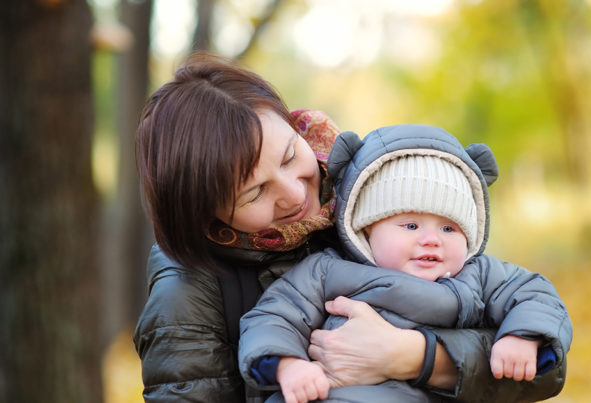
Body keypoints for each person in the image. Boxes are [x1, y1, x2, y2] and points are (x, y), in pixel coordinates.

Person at [133, 52, 568, 402]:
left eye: (289, 156)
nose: (294, 193)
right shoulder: (188, 285)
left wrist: (413, 357)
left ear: (295, 126)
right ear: (206, 211)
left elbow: (542, 374)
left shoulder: (376, 195)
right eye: (254, 193)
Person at [238, 125, 573, 403]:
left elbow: (535, 294)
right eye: (411, 226)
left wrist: (522, 337)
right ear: (365, 228)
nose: (432, 239)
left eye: (449, 228)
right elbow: (274, 316)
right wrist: (288, 365)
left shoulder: (478, 274)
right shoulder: (325, 270)